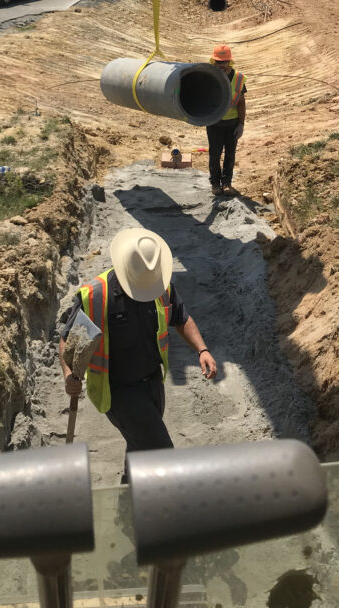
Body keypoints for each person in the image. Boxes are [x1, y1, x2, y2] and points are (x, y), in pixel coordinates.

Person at [58, 227, 217, 479]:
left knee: (141, 447)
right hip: (118, 391)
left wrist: (202, 349)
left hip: (153, 382)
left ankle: (127, 499)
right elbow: (70, 341)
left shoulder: (158, 285)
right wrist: (69, 375)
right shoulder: (97, 296)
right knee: (160, 451)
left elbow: (181, 318)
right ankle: (165, 511)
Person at [205, 43, 247, 195]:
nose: (221, 65)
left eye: (223, 62)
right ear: (213, 61)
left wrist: (241, 124)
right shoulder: (209, 76)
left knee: (230, 154)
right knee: (214, 155)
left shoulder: (238, 78)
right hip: (214, 123)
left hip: (231, 123)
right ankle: (215, 183)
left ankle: (227, 183)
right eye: (218, 62)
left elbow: (241, 102)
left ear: (229, 61)